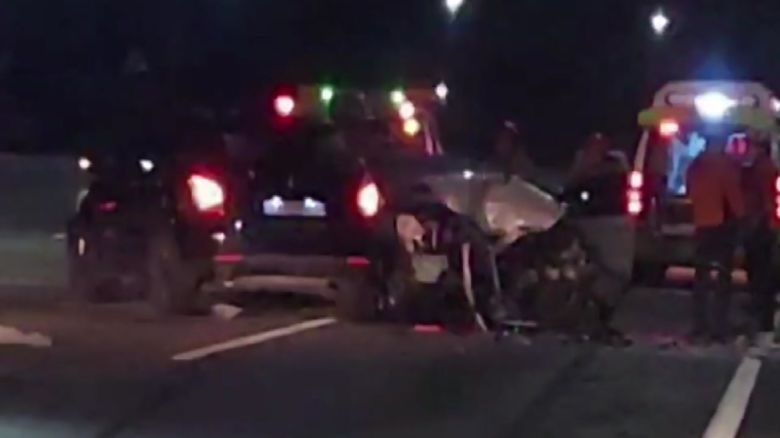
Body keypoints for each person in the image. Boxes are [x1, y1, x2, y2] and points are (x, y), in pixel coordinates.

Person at [686, 134, 746, 344]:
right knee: (723, 278)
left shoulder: (696, 164)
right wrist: (743, 218)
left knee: (701, 278)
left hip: (702, 223)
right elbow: (734, 196)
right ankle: (719, 327)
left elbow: (689, 189)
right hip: (722, 226)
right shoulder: (725, 164)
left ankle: (699, 326)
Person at [741, 138, 778, 345]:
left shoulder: (762, 168)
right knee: (761, 273)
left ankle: (763, 321)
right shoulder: (763, 167)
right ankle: (763, 319)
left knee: (761, 274)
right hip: (762, 224)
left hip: (760, 226)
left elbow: (765, 198)